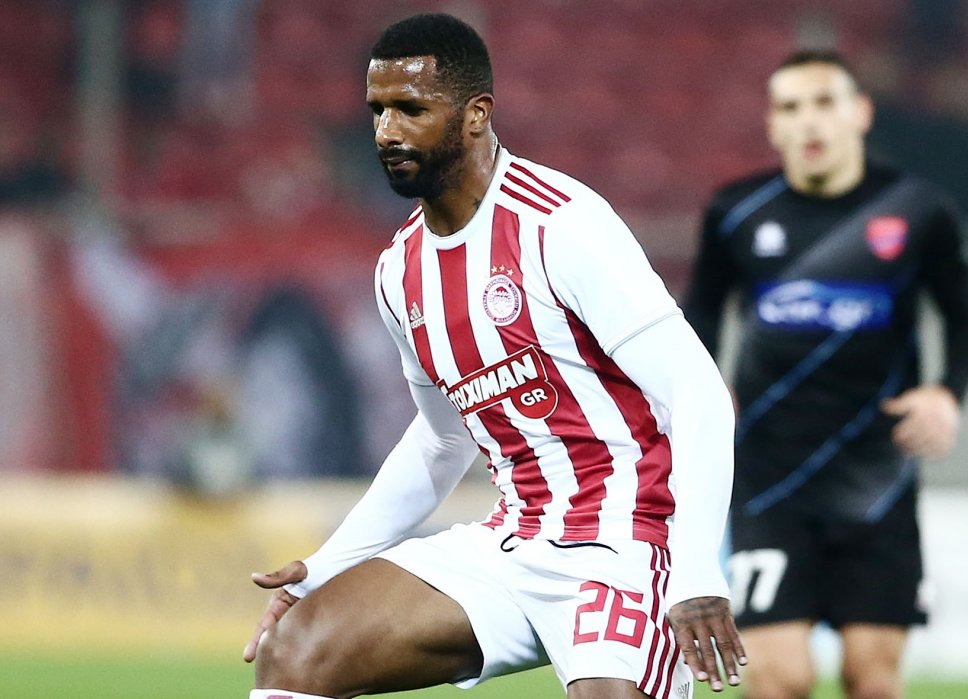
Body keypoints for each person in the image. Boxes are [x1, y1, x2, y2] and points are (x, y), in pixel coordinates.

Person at [244, 13, 745, 699]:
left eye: (411, 109)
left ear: (475, 115)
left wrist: (696, 573)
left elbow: (699, 391)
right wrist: (329, 563)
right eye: (378, 110)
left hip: (627, 541)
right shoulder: (400, 271)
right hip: (513, 540)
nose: (387, 131)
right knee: (297, 649)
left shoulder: (559, 223)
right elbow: (441, 440)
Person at [682, 49, 968, 699]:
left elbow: (965, 320)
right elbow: (699, 311)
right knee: (780, 679)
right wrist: (708, 384)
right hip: (768, 478)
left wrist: (946, 393)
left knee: (872, 680)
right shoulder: (737, 211)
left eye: (825, 103)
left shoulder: (917, 208)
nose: (809, 121)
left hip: (876, 476)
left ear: (861, 113)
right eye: (791, 107)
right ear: (773, 124)